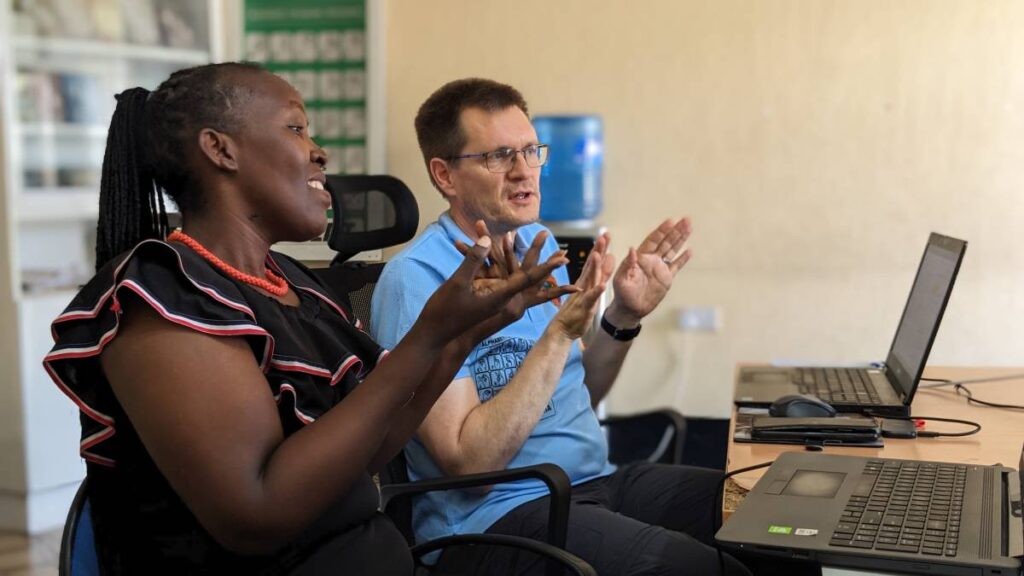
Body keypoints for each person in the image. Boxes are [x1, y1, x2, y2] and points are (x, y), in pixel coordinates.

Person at [42, 63, 575, 575]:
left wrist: (464, 336)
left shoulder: (298, 285)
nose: (319, 152)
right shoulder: (160, 295)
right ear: (220, 149)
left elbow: (375, 443)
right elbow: (258, 515)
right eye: (296, 128)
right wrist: (429, 335)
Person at [370, 78, 752, 576]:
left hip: (593, 483)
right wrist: (558, 335)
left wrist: (622, 318)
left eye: (531, 151)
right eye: (498, 156)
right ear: (445, 176)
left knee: (768, 520)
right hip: (496, 519)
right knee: (696, 569)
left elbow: (576, 392)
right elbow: (470, 465)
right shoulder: (417, 279)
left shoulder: (537, 242)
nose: (524, 171)